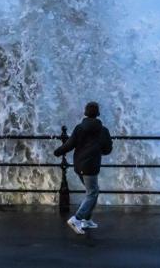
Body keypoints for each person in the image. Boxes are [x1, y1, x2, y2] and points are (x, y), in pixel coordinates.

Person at [53, 101, 112, 235]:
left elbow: (69, 144)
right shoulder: (103, 131)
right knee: (92, 192)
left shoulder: (79, 128)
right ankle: (77, 219)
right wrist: (99, 149)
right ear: (98, 114)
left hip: (79, 164)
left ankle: (86, 219)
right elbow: (107, 149)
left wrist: (58, 152)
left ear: (85, 113)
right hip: (91, 166)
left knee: (92, 191)